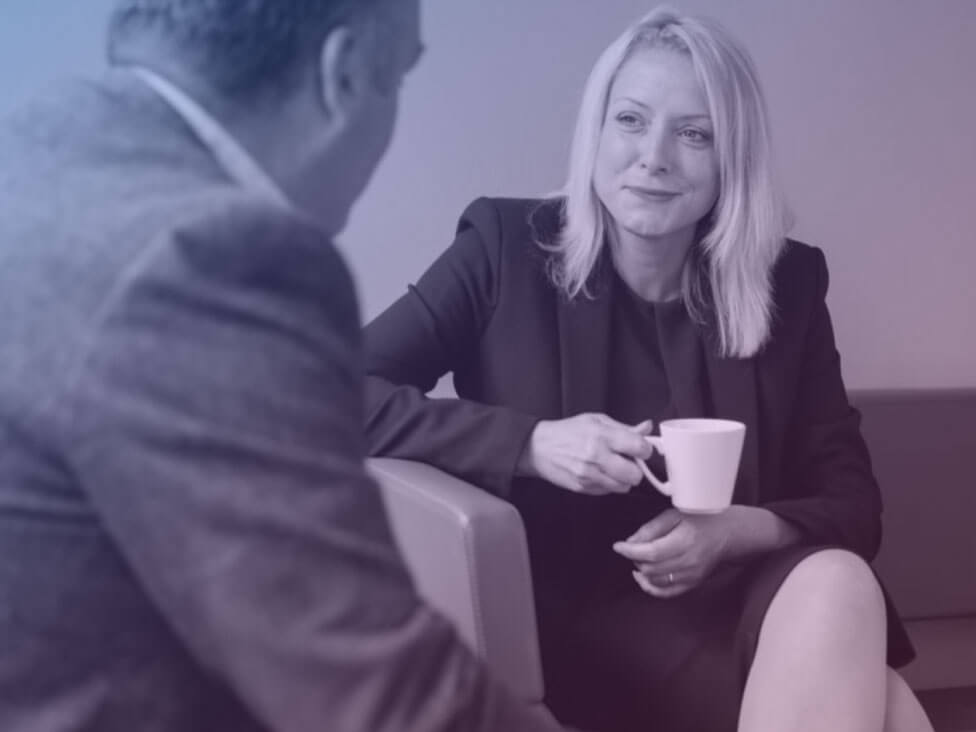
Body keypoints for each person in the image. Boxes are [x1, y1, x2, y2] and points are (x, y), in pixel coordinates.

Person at [0, 1, 571, 730]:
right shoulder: (214, 255)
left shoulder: (41, 146)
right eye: (398, 79)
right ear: (343, 76)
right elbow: (382, 696)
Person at [364, 7, 934, 732]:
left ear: (732, 158)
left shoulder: (786, 282)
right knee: (892, 712)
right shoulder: (502, 251)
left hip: (750, 597)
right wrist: (531, 443)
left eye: (694, 134)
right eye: (631, 120)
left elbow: (855, 504)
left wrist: (735, 531)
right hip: (569, 619)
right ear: (596, 132)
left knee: (840, 580)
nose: (654, 156)